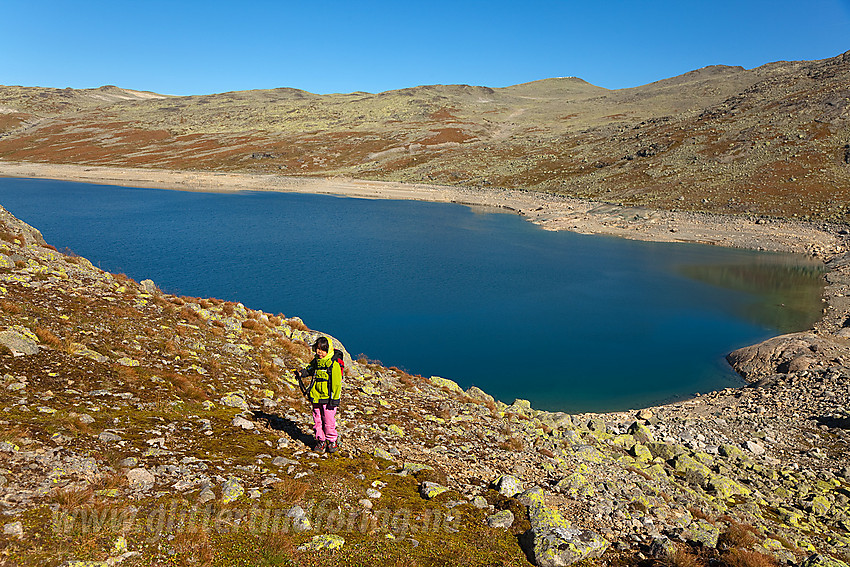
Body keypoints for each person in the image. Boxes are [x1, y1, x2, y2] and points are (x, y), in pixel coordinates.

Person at [295, 336, 342, 453]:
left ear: (328, 350)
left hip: (328, 399)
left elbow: (336, 384)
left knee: (329, 421)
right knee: (317, 420)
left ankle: (332, 441)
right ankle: (321, 440)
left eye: (323, 350)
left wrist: (334, 400)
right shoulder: (316, 361)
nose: (319, 352)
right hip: (316, 396)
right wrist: (301, 373)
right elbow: (310, 369)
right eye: (318, 349)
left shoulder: (333, 364)